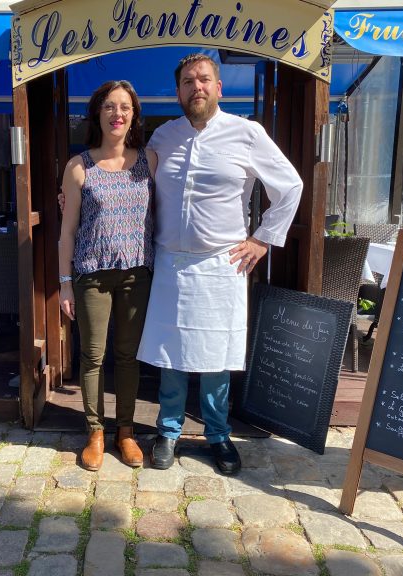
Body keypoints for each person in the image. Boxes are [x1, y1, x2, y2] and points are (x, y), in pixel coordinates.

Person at [137, 54, 303, 475]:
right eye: (189, 81)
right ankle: (168, 431)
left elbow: (290, 186)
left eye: (205, 80)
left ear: (219, 88)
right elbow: (132, 181)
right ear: (178, 91)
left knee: (215, 357)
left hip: (220, 263)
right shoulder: (162, 137)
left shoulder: (247, 133)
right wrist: (76, 194)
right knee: (170, 355)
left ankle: (217, 433)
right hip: (172, 262)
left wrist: (263, 239)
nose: (197, 87)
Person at [58, 80, 156, 471]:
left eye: (125, 107)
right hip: (92, 275)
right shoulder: (78, 166)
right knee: (93, 356)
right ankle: (96, 432)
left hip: (137, 273)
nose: (118, 114)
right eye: (110, 107)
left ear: (133, 116)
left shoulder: (151, 160)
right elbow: (67, 231)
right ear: (97, 113)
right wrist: (64, 282)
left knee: (129, 357)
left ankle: (126, 432)